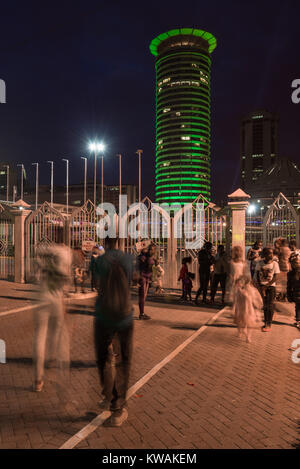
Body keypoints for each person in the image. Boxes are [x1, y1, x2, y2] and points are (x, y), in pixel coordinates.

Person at [94, 237, 134, 427]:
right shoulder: (127, 259)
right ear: (119, 241)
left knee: (103, 357)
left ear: (105, 241)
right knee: (123, 360)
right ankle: (118, 408)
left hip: (103, 314)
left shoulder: (100, 260)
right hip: (124, 316)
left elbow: (96, 283)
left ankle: (107, 395)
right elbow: (130, 281)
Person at [33, 244, 71, 393]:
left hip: (42, 296)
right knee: (58, 331)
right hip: (56, 297)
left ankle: (38, 379)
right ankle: (53, 358)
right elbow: (66, 279)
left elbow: (35, 275)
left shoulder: (42, 251)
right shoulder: (64, 252)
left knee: (39, 336)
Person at [253, 247, 280, 332]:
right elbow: (256, 274)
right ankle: (266, 322)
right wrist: (259, 286)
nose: (271, 255)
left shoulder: (275, 264)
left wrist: (267, 285)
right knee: (265, 305)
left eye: (272, 253)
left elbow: (276, 277)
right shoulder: (260, 263)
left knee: (270, 304)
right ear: (264, 255)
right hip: (261, 287)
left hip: (271, 287)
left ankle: (269, 324)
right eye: (269, 253)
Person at [232, 275, 263, 343]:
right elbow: (258, 299)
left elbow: (258, 299)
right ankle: (244, 334)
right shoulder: (241, 290)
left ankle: (247, 336)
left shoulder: (250, 290)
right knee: (244, 324)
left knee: (247, 324)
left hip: (247, 309)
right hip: (243, 309)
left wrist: (258, 306)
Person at [137, 244, 155, 320]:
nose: (152, 251)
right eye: (151, 249)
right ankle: (141, 314)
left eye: (153, 249)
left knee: (143, 296)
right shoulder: (144, 257)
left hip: (146, 278)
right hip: (143, 278)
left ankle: (142, 313)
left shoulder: (146, 257)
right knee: (142, 296)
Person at [287, 253, 300, 329]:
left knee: (298, 307)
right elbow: (289, 285)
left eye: (298, 263)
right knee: (297, 307)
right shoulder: (290, 273)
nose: (296, 264)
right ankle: (298, 320)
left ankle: (298, 320)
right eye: (295, 263)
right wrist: (289, 294)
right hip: (296, 293)